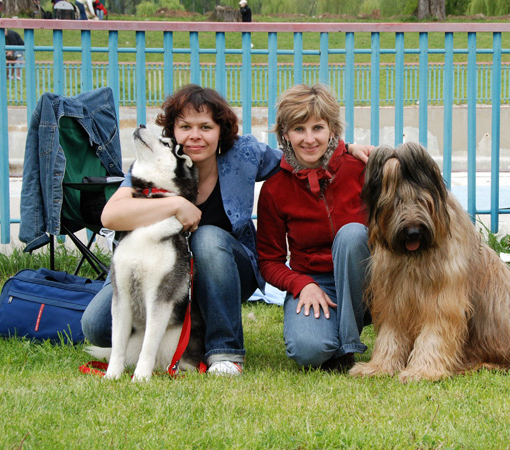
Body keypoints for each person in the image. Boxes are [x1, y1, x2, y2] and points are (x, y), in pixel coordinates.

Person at [81, 83, 372, 376]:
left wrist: (346, 149)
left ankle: (225, 352)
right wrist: (175, 205)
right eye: (185, 127)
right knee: (96, 326)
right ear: (172, 131)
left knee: (207, 236)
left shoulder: (243, 155)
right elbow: (111, 215)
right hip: (156, 268)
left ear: (221, 131)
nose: (195, 135)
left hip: (226, 271)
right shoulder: (158, 160)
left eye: (206, 127)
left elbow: (300, 153)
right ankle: (180, 338)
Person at [256, 83, 371, 372]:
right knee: (308, 350)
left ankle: (347, 348)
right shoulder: (274, 188)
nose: (309, 139)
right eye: (299, 129)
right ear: (285, 134)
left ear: (332, 130)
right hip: (318, 281)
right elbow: (269, 261)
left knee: (353, 234)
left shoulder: (361, 168)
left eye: (317, 128)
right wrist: (302, 284)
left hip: (371, 277)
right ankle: (330, 338)